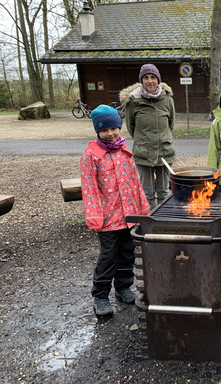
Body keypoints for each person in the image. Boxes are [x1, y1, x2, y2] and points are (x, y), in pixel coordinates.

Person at [81, 105, 150, 316]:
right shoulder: (92, 156)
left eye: (114, 128)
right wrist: (94, 215)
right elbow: (89, 188)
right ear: (97, 131)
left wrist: (142, 207)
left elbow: (135, 183)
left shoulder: (125, 152)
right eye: (105, 130)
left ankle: (122, 287)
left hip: (128, 216)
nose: (110, 133)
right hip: (108, 219)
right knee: (108, 257)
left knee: (127, 253)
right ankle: (100, 296)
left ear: (119, 127)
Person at [120, 63, 176, 210]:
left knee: (164, 191)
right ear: (141, 80)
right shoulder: (133, 101)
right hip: (143, 153)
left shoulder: (167, 99)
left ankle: (164, 220)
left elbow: (171, 124)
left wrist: (162, 139)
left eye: (153, 77)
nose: (150, 81)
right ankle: (150, 222)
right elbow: (131, 128)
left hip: (165, 152)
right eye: (146, 77)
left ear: (158, 80)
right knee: (147, 192)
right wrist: (143, 142)